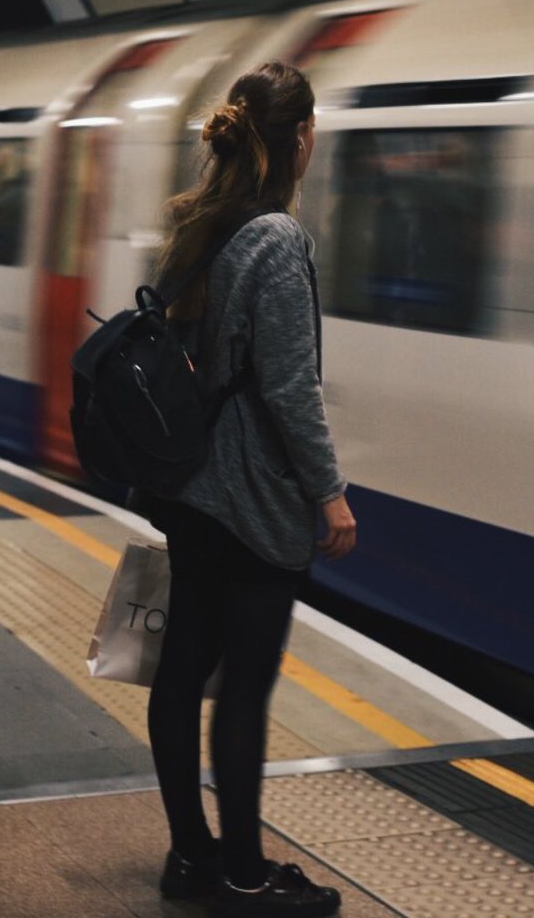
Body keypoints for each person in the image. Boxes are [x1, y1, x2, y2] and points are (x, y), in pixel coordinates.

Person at [146, 61, 357, 917]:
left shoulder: (200, 226)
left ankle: (192, 858)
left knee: (181, 673)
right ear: (300, 137)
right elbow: (288, 387)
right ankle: (242, 876)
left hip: (192, 491)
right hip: (249, 500)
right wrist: (329, 493)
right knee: (242, 689)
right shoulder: (274, 240)